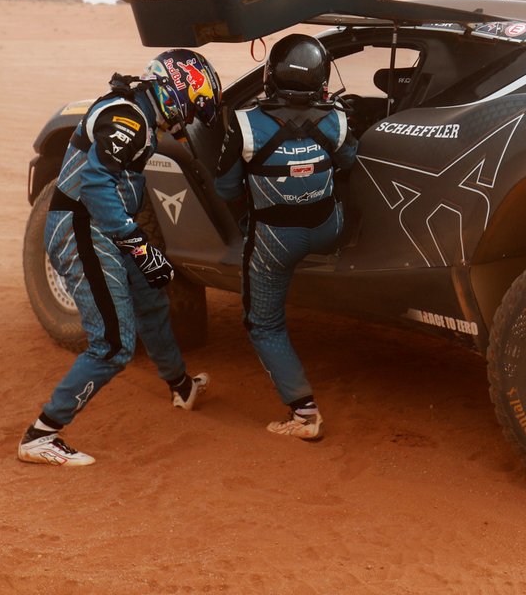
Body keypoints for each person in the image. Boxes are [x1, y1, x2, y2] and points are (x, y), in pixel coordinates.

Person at [18, 49, 223, 466]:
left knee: (151, 296)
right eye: (193, 105)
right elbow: (95, 185)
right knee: (113, 345)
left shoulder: (138, 115)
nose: (189, 117)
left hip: (102, 225)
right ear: (175, 94)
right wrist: (138, 244)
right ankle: (41, 435)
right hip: (82, 228)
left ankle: (180, 386)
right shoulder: (128, 119)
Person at [214, 34, 358, 441]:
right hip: (329, 231)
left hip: (276, 241)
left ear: (270, 75)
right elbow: (349, 160)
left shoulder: (244, 124)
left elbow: (225, 189)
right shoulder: (338, 119)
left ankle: (304, 413)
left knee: (263, 324)